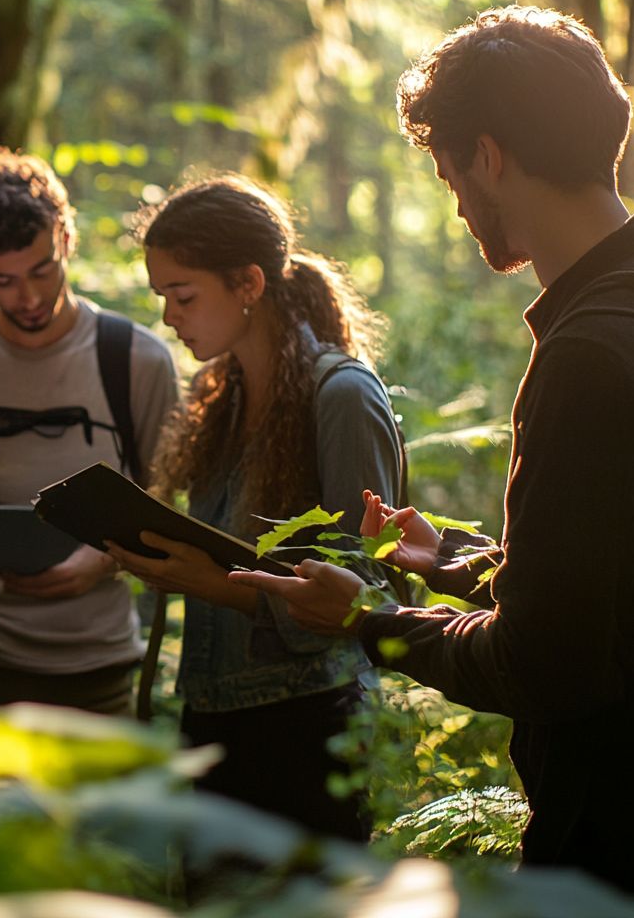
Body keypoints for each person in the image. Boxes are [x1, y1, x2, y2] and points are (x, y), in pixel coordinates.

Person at [229, 5, 634, 891]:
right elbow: (612, 593)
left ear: (487, 157)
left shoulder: (586, 358)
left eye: (451, 178)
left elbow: (545, 666)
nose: (458, 207)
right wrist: (453, 559)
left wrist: (364, 622)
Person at [104, 174, 402, 841]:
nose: (167, 317)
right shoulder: (222, 402)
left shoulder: (342, 396)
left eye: (182, 295)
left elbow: (368, 593)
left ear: (248, 284)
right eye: (161, 297)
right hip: (212, 719)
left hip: (309, 726)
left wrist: (218, 587)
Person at [0, 149, 179, 715]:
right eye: (0, 280)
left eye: (42, 270)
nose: (26, 298)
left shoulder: (137, 360)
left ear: (67, 241)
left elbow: (165, 498)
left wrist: (103, 558)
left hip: (93, 661)